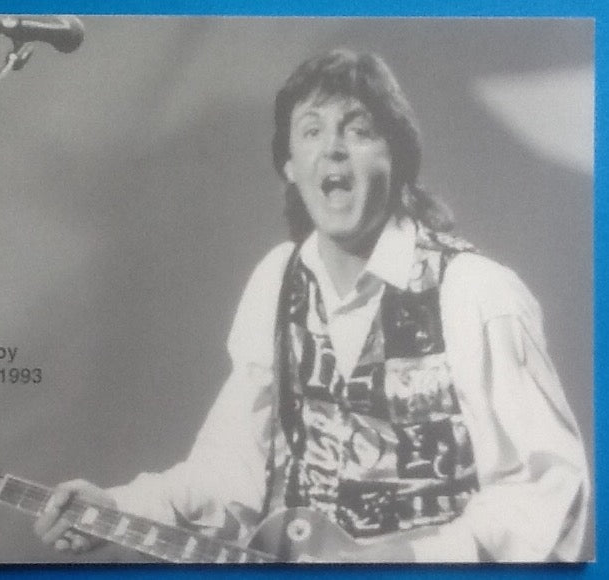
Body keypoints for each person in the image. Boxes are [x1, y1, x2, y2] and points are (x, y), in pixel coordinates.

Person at [34, 47, 589, 562]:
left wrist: (413, 558)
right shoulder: (278, 279)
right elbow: (231, 473)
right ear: (290, 165)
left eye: (359, 130)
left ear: (396, 157)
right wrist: (120, 507)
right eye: (312, 130)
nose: (333, 149)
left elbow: (547, 493)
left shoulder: (476, 291)